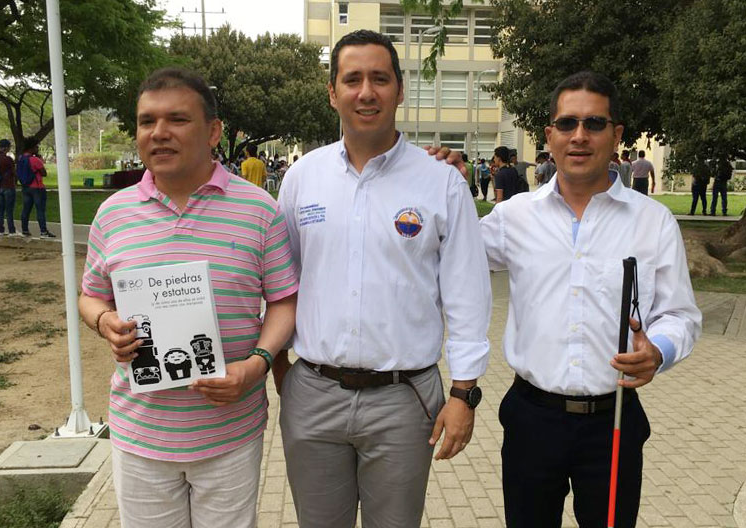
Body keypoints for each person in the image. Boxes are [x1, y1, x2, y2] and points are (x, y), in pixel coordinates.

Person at [276, 29, 491, 528]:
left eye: (379, 78)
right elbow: (279, 281)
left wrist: (463, 395)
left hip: (404, 399)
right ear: (333, 92)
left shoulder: (442, 183)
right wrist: (281, 368)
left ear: (399, 89)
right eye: (352, 79)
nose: (366, 91)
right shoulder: (302, 178)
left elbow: (467, 297)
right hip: (313, 395)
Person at [77, 67, 299, 528]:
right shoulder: (112, 215)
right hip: (140, 433)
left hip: (229, 432)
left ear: (213, 131)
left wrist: (258, 362)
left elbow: (283, 301)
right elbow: (90, 296)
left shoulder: (259, 210)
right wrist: (105, 323)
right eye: (146, 121)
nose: (158, 133)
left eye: (177, 120)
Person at [479, 71, 701, 527]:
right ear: (550, 135)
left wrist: (659, 350)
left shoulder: (653, 222)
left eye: (594, 124)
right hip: (531, 419)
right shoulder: (511, 218)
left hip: (614, 419)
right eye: (567, 124)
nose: (579, 136)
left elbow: (680, 313)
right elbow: (443, 260)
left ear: (616, 135)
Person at [17, 137, 55, 238]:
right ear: (31, 148)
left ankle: (25, 230)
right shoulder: (34, 160)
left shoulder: (21, 159)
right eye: (36, 147)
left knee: (26, 209)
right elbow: (44, 173)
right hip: (37, 187)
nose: (37, 148)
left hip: (26, 187)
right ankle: (43, 231)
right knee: (40, 210)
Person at [0, 139, 16, 236]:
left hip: (0, 186)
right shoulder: (8, 159)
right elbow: (13, 172)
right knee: (9, 210)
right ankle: (11, 231)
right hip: (9, 186)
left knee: (0, 210)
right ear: (6, 147)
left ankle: (1, 230)